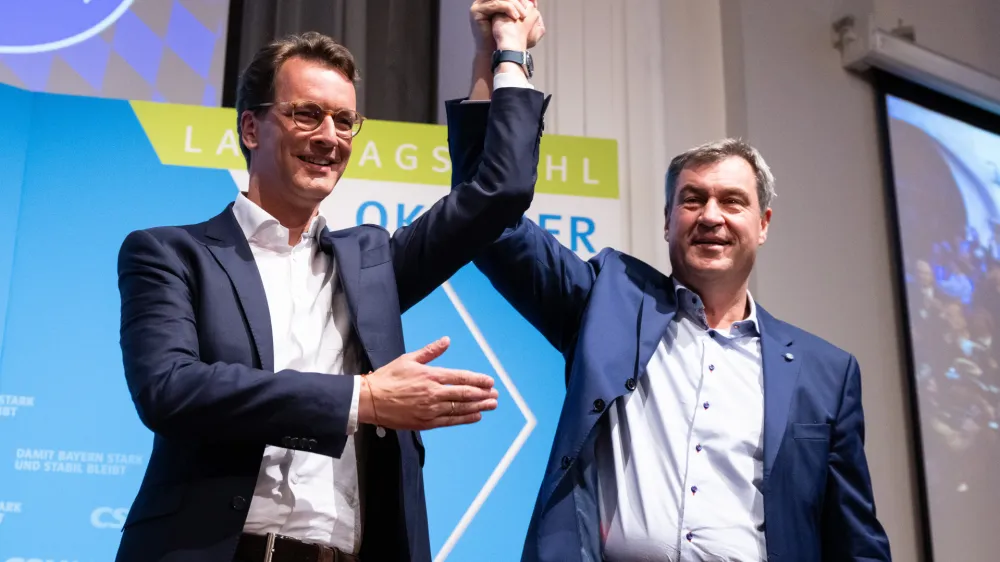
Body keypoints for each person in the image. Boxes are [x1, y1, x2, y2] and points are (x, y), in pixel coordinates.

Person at [114, 1, 546, 560]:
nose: (330, 136)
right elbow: (171, 390)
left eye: (345, 121)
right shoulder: (172, 253)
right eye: (306, 114)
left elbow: (497, 195)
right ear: (251, 127)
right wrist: (360, 398)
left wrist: (502, 53)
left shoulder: (372, 266)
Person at [447, 97, 892, 560]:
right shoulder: (608, 304)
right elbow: (490, 221)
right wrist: (503, 61)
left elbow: (854, 540)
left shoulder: (826, 373)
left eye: (733, 202)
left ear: (763, 224)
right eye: (692, 199)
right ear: (667, 221)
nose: (711, 216)